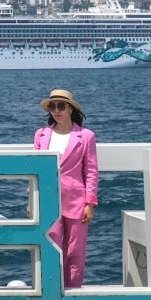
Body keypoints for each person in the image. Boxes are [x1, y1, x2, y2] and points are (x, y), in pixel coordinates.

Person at [32, 87, 98, 289]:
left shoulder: (85, 136)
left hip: (76, 200)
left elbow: (91, 170)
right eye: (52, 106)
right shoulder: (41, 134)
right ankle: (50, 290)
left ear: (71, 109)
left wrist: (90, 202)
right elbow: (34, 170)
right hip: (47, 198)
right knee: (50, 246)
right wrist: (32, 200)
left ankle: (72, 291)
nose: (56, 110)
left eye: (61, 106)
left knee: (75, 251)